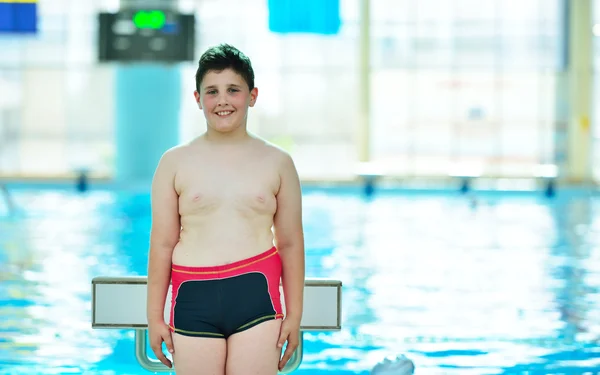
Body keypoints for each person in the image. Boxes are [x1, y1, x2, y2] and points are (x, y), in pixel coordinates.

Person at [146, 43, 305, 375]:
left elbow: (290, 242)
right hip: (193, 296)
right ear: (197, 98)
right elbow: (162, 243)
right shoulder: (174, 162)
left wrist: (295, 315)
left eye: (233, 90)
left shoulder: (278, 162)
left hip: (257, 296)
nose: (222, 101)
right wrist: (154, 317)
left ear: (252, 95)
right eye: (212, 91)